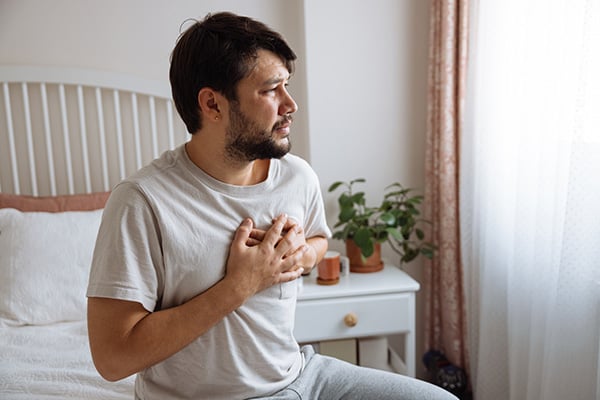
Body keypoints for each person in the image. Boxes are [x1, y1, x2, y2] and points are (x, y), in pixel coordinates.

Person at [86, 11, 458, 400]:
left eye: (287, 85)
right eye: (270, 90)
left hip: (302, 377)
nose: (291, 104)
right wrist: (240, 285)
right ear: (212, 104)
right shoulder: (142, 202)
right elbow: (113, 359)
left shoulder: (296, 177)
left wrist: (300, 256)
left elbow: (316, 241)